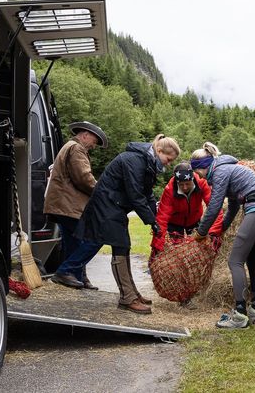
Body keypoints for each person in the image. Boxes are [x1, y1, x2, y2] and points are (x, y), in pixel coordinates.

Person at [76, 134, 180, 314]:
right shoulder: (134, 160)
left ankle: (132, 293)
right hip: (106, 205)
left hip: (115, 206)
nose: (168, 164)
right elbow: (136, 195)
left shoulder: (147, 162)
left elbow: (147, 195)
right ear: (159, 150)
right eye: (168, 159)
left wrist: (155, 220)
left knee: (124, 246)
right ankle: (127, 298)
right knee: (120, 245)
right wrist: (150, 221)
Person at [190, 142, 255, 328]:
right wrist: (222, 229)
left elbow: (215, 205)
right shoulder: (228, 169)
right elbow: (232, 207)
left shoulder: (220, 171)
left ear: (202, 167)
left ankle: (240, 315)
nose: (197, 176)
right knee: (253, 259)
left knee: (234, 261)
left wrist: (200, 233)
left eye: (196, 171)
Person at [44, 121, 108, 290]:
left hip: (62, 205)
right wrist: (102, 193)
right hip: (68, 206)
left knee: (73, 245)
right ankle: (65, 272)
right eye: (94, 141)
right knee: (95, 238)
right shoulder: (77, 149)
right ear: (85, 135)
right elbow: (84, 178)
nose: (94, 146)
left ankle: (79, 278)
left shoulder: (70, 146)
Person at [150, 162, 223, 265]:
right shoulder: (169, 190)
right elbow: (162, 218)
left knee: (197, 250)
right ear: (176, 181)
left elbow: (215, 208)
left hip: (194, 220)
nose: (184, 187)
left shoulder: (202, 183)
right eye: (181, 184)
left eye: (187, 184)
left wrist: (214, 232)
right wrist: (157, 245)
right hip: (175, 222)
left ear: (192, 178)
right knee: (177, 252)